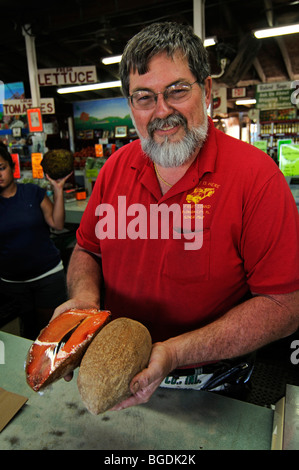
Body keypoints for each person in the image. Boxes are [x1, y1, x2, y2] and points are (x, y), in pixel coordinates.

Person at [53, 22, 299, 408]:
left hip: (213, 383)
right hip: (116, 371)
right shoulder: (115, 169)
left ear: (208, 91)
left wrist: (174, 352)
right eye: (144, 97)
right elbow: (87, 250)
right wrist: (84, 300)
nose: (162, 110)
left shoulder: (257, 178)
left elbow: (284, 306)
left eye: (177, 90)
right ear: (130, 105)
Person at [0, 143, 71, 339]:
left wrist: (58, 189)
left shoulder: (32, 192)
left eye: (2, 168)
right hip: (12, 283)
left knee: (53, 333)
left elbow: (57, 224)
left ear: (12, 167)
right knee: (23, 335)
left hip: (47, 277)